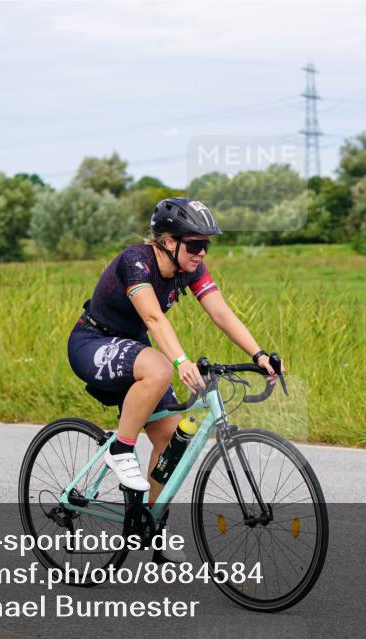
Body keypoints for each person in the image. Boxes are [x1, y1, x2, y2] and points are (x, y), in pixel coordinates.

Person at [67, 198, 283, 558]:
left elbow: (221, 314)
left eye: (206, 245)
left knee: (171, 442)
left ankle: (149, 527)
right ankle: (120, 450)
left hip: (132, 349)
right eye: (195, 244)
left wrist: (257, 354)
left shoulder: (191, 269)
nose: (201, 253)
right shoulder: (135, 261)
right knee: (161, 366)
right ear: (169, 241)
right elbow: (153, 319)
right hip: (93, 341)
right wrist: (180, 360)